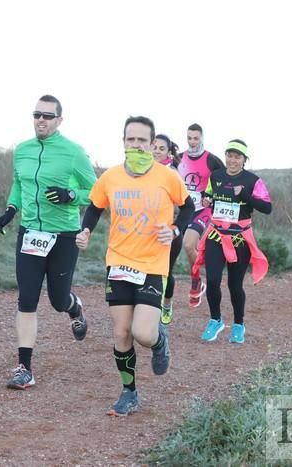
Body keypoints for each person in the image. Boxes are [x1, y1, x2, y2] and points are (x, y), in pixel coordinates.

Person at [76, 116, 193, 416]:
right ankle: (129, 392)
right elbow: (94, 207)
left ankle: (158, 341)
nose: (137, 145)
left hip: (154, 263)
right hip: (118, 262)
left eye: (143, 140)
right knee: (122, 334)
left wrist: (176, 230)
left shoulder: (167, 177)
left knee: (143, 333)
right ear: (124, 142)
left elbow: (189, 208)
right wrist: (86, 230)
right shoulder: (111, 177)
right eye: (131, 139)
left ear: (153, 144)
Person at [0, 94, 97, 390]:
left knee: (56, 299)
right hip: (30, 234)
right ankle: (24, 369)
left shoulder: (73, 153)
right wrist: (11, 209)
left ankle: (74, 307)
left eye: (47, 116)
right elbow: (19, 183)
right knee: (26, 299)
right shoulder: (23, 150)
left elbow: (97, 191)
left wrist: (71, 196)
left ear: (59, 120)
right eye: (37, 114)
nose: (41, 120)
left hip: (63, 235)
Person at [194, 139, 272, 343]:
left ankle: (238, 324)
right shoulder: (216, 175)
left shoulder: (252, 180)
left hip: (240, 238)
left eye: (237, 157)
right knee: (212, 280)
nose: (232, 160)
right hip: (216, 235)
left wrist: (244, 194)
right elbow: (208, 195)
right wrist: (206, 199)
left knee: (234, 285)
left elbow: (267, 207)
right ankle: (215, 320)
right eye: (230, 155)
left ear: (244, 160)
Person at [177, 123, 224, 307]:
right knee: (188, 248)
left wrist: (211, 196)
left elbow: (222, 181)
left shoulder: (212, 160)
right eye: (189, 138)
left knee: (188, 244)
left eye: (196, 138)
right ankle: (198, 278)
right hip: (185, 209)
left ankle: (196, 280)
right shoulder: (180, 158)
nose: (192, 142)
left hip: (203, 210)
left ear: (202, 138)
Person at [153, 134, 184, 324]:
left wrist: (175, 229)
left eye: (161, 148)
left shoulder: (173, 174)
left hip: (170, 232)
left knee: (166, 271)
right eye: (154, 146)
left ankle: (166, 304)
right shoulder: (141, 170)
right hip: (145, 232)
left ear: (168, 152)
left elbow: (184, 206)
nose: (156, 151)